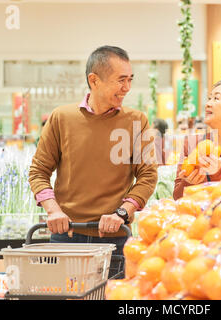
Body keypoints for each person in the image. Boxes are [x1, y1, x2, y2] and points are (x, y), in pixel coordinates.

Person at [29, 46, 158, 263]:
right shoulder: (61, 118)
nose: (127, 88)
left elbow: (148, 176)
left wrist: (122, 213)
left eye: (130, 80)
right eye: (121, 80)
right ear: (94, 80)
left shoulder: (137, 121)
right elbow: (38, 171)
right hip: (66, 235)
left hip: (115, 238)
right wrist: (53, 211)